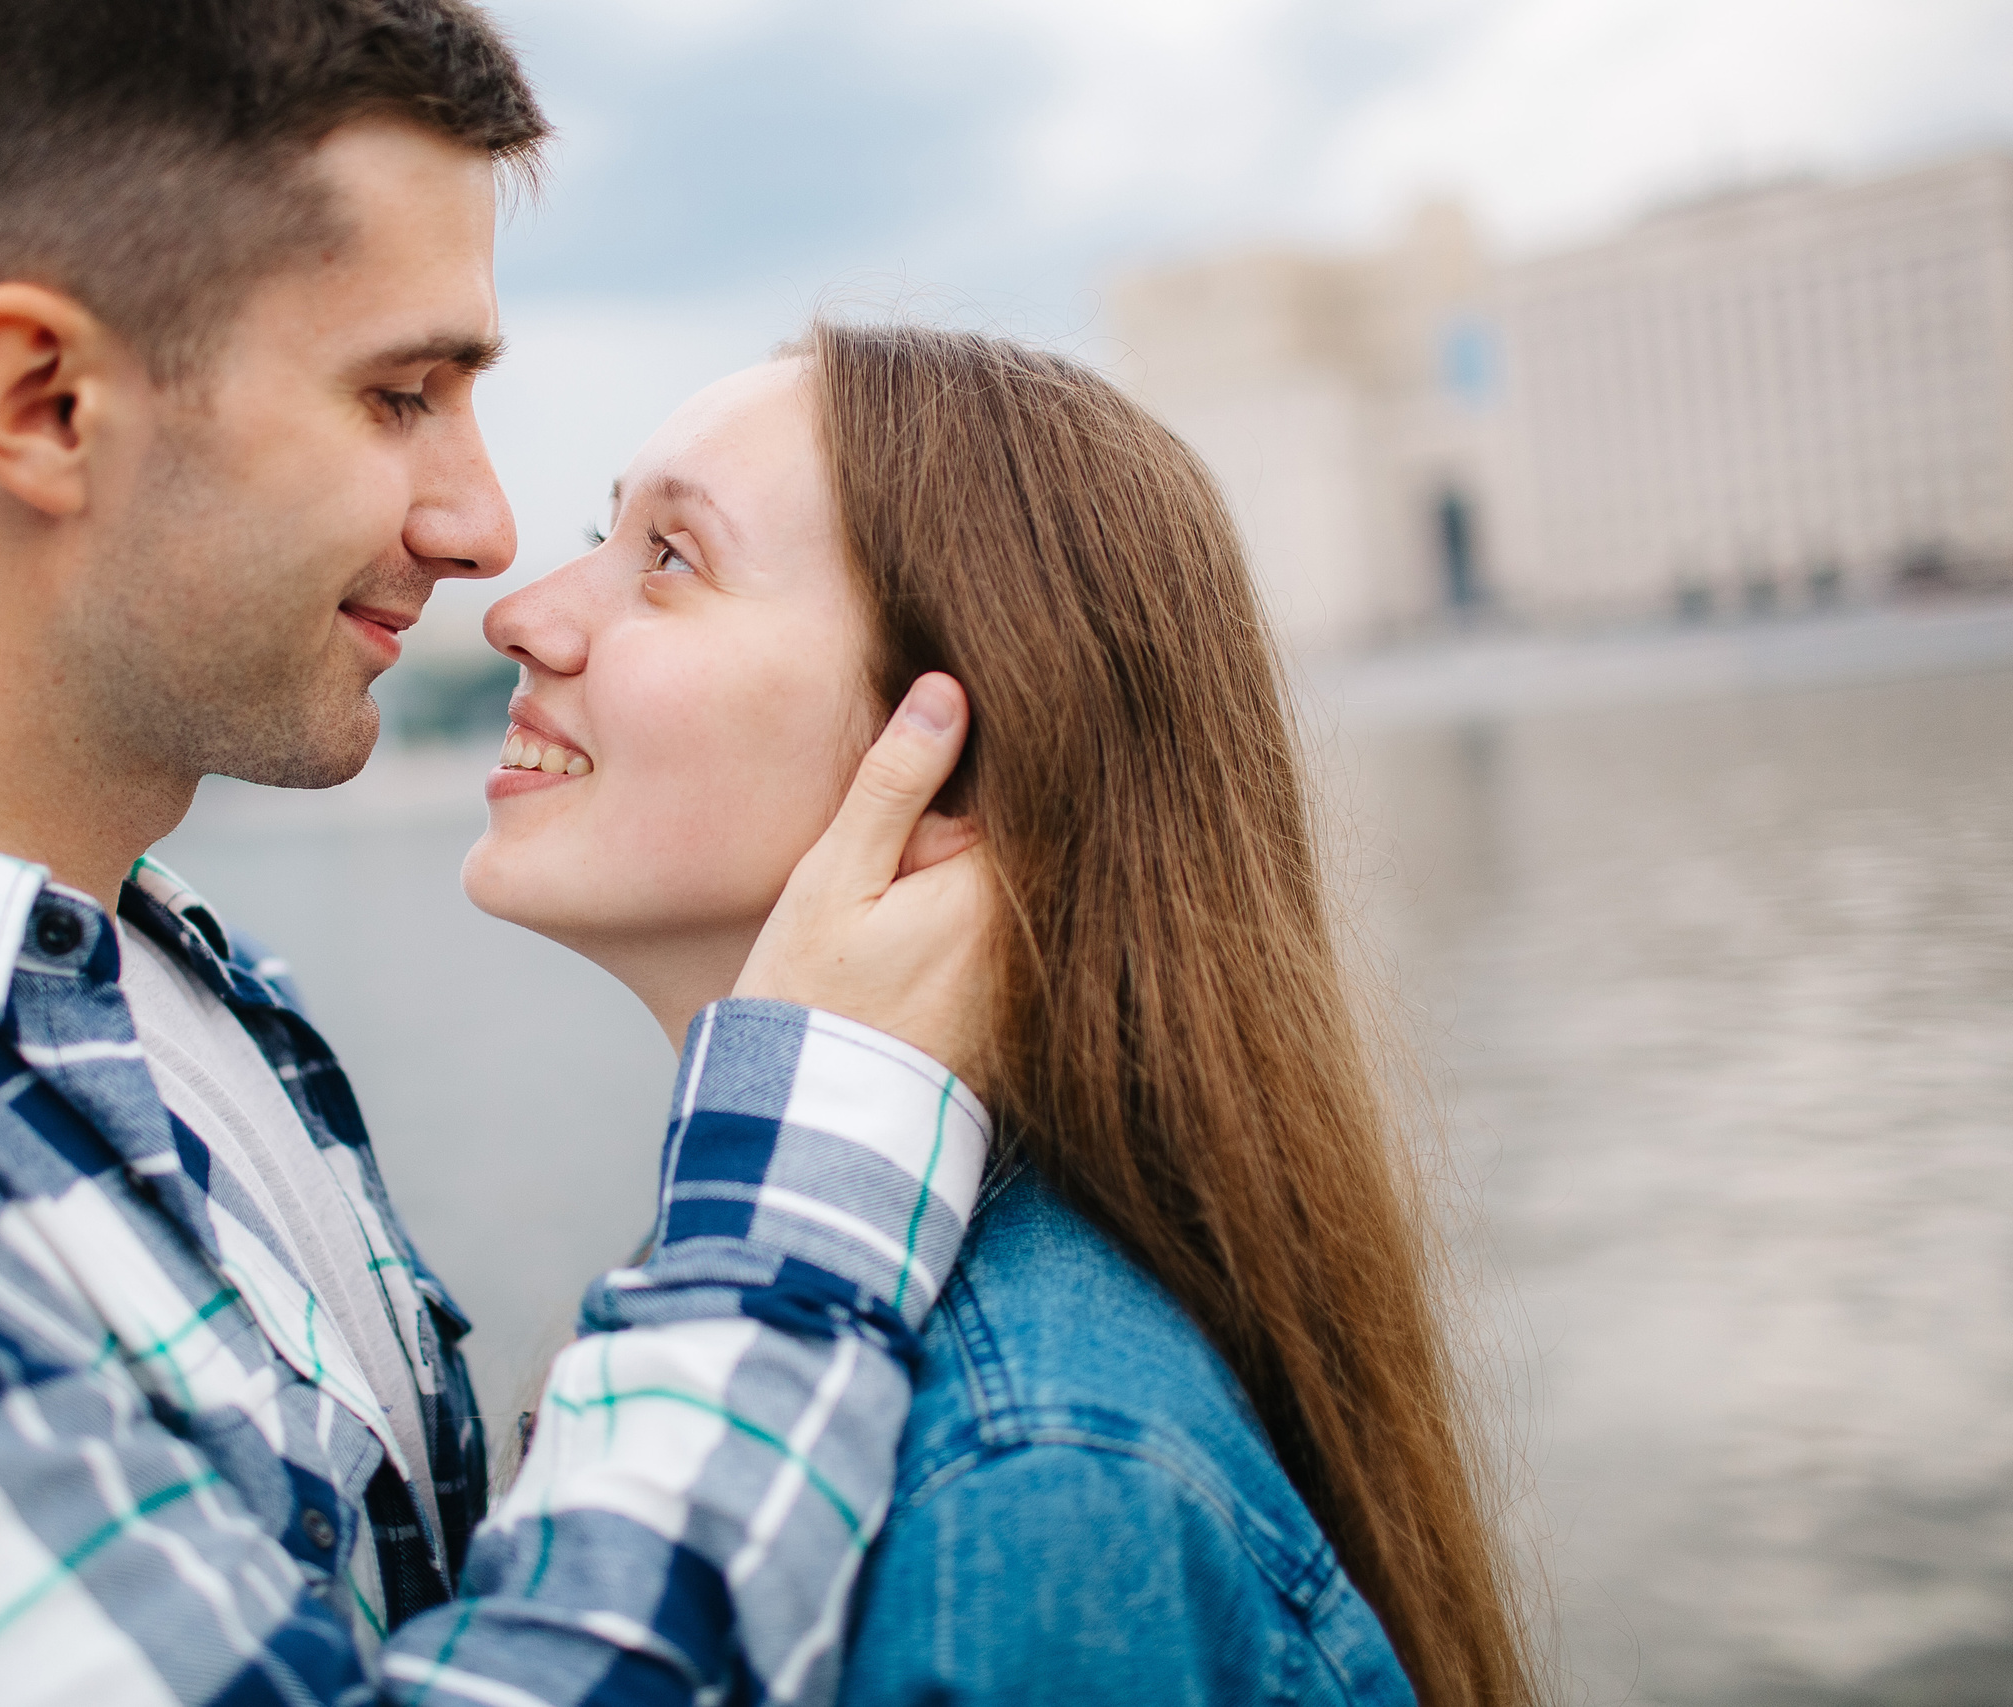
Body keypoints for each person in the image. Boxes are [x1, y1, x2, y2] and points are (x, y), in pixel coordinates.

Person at [0, 7, 1001, 1706]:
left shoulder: (162, 982)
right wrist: (814, 1155)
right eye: (399, 393)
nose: (483, 528)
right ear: (42, 403)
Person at [462, 323, 1541, 1706]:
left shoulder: (1032, 1483)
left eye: (670, 559)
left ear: (951, 769)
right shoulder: (850, 1295)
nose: (521, 609)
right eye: (601, 535)